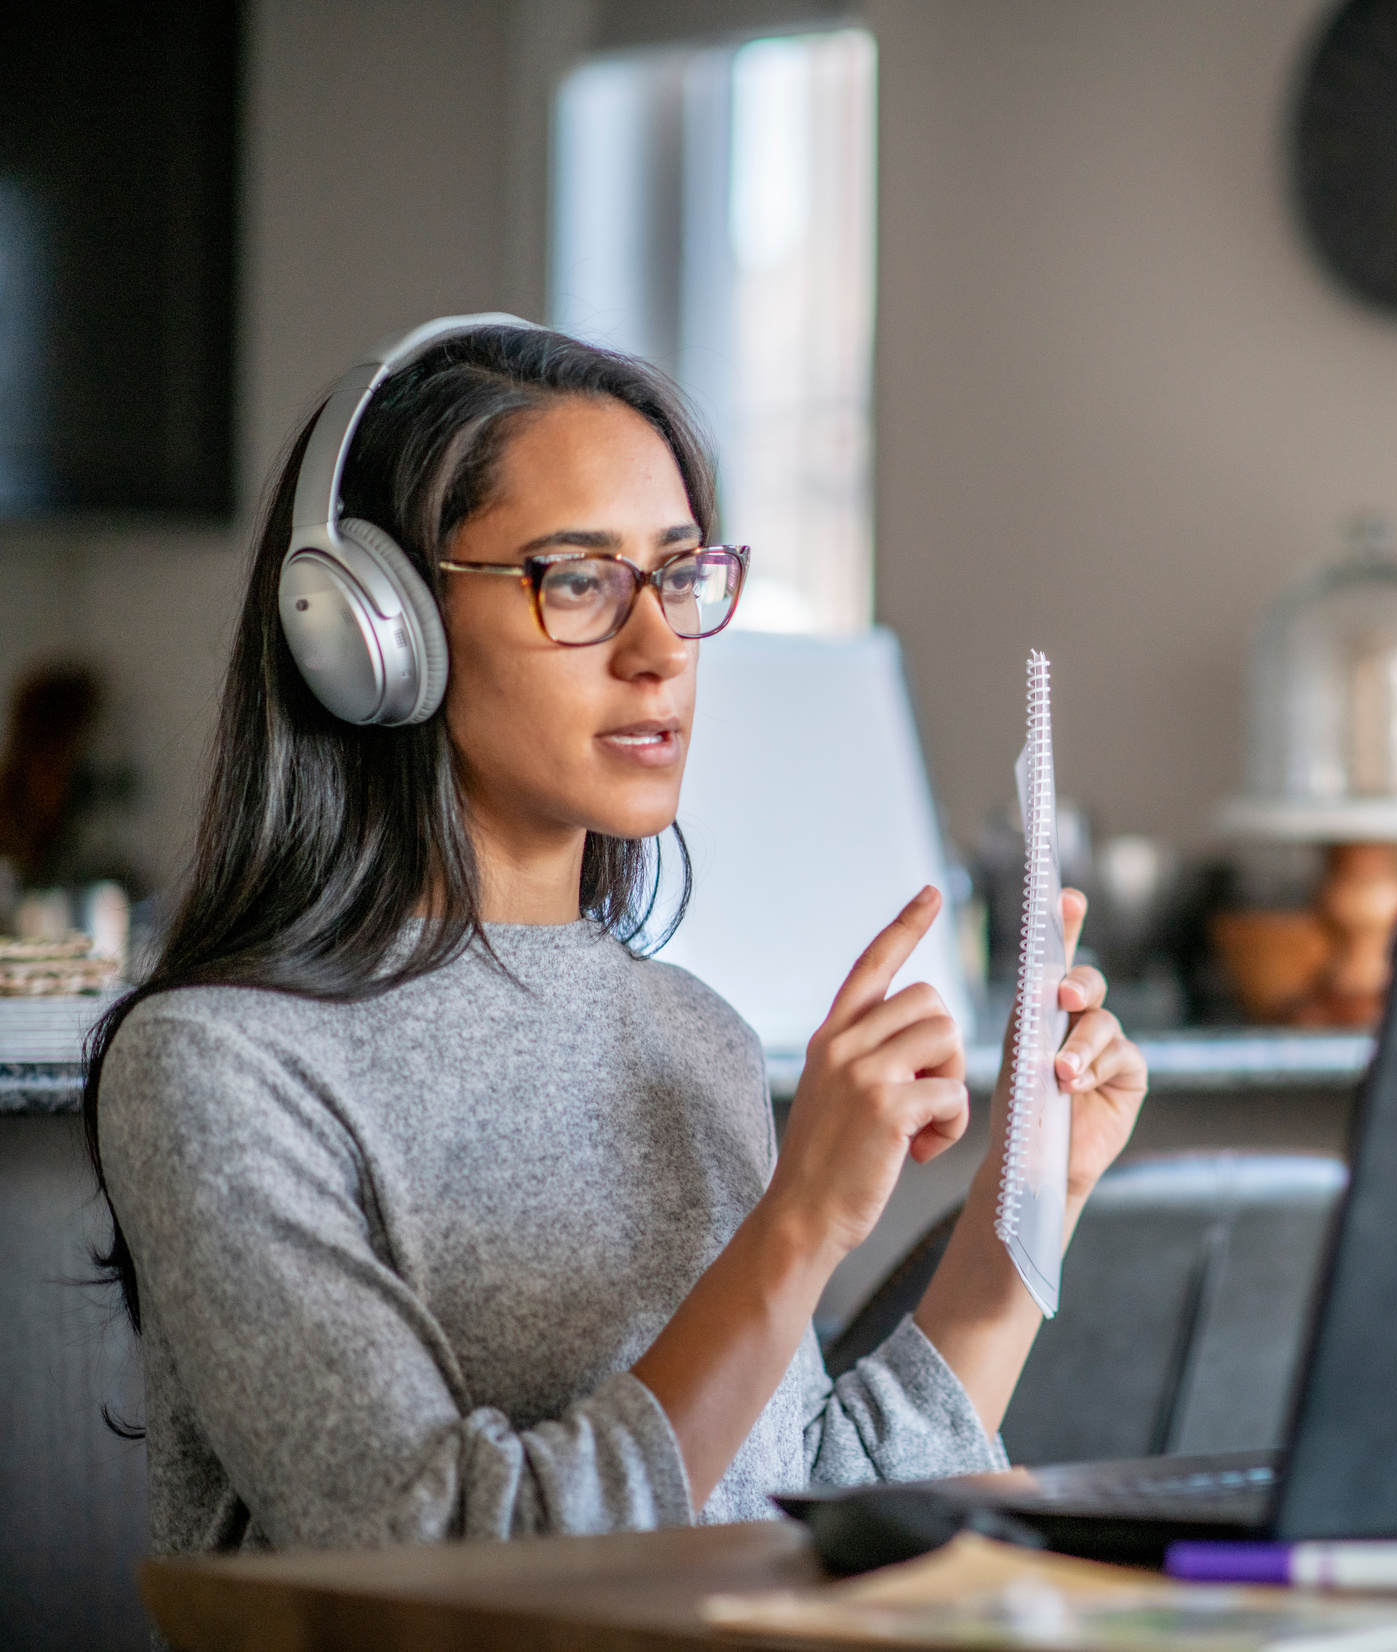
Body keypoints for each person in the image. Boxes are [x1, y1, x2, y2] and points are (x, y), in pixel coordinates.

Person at [80, 323, 1150, 1552]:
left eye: (680, 575)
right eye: (577, 578)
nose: (659, 652)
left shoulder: (692, 1038)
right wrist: (793, 1224)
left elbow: (795, 1510)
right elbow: (445, 1556)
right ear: (374, 631)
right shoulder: (216, 1067)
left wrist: (1033, 1186)